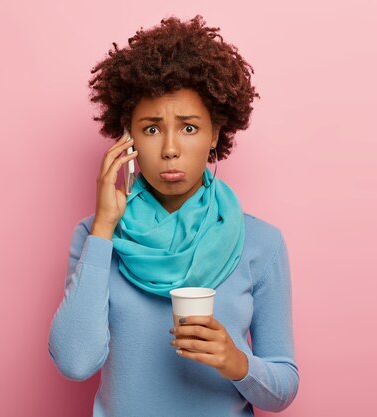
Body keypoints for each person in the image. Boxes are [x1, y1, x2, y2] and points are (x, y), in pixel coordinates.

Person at [48, 15, 299, 417]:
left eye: (188, 128)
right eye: (150, 129)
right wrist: (103, 229)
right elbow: (76, 362)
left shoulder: (262, 243)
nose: (169, 149)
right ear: (127, 136)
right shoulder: (94, 236)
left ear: (215, 134)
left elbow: (284, 389)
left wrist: (237, 363)